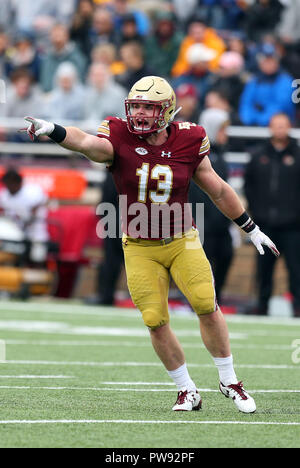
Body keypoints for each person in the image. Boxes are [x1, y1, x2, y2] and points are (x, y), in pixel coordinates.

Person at [22, 76, 280, 414]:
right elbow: (86, 143)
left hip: (181, 240)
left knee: (206, 303)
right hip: (139, 244)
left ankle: (229, 379)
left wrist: (251, 228)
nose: (140, 113)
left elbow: (217, 189)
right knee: (155, 319)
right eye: (137, 105)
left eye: (149, 107)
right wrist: (52, 129)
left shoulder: (190, 138)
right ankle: (187, 389)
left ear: (168, 110)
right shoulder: (117, 134)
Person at [244, 113, 300, 317]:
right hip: (265, 224)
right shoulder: (259, 155)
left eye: (283, 125)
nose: (279, 129)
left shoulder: (298, 154)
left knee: (296, 270)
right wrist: (256, 211)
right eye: (276, 125)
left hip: (293, 226)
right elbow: (248, 185)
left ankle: (297, 308)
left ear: (289, 127)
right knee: (264, 270)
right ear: (270, 128)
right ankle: (262, 306)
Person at [189, 108, 234, 305]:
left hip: (220, 224)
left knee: (225, 257)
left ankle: (216, 300)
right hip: (203, 222)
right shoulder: (198, 155)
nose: (225, 134)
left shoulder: (221, 156)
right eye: (222, 129)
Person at [0, 168, 49, 265]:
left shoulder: (33, 191)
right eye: (7, 183)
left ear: (19, 182)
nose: (9, 186)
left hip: (34, 233)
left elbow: (35, 211)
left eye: (12, 183)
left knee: (36, 259)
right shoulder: (4, 195)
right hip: (13, 235)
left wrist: (25, 219)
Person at [239, 43, 295, 126]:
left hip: (278, 127)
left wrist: (261, 120)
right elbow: (246, 103)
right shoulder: (254, 81)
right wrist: (249, 119)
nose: (268, 63)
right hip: (253, 126)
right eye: (265, 60)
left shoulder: (286, 81)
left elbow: (281, 106)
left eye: (271, 59)